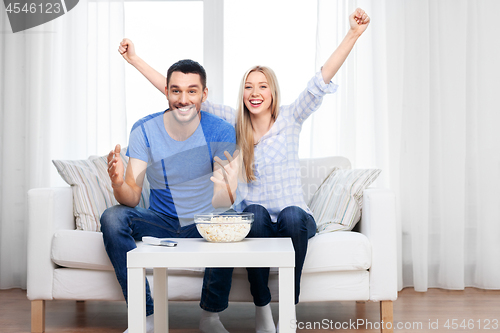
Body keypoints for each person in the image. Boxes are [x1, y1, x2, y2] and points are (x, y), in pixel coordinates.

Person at [119, 8, 370, 332]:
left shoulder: (290, 119)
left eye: (262, 86)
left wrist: (352, 34)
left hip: (294, 217)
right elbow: (183, 98)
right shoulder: (232, 123)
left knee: (292, 215)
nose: (255, 93)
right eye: (249, 87)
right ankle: (262, 308)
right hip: (257, 217)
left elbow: (320, 80)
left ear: (272, 93)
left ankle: (287, 312)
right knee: (255, 212)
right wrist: (135, 60)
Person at [101, 59, 240, 333]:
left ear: (204, 94)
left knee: (229, 218)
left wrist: (227, 189)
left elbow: (220, 203)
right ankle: (145, 317)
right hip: (161, 220)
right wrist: (118, 183)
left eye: (192, 91)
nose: (183, 99)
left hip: (203, 223)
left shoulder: (221, 131)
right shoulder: (144, 130)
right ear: (166, 92)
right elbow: (131, 197)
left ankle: (210, 317)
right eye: (176, 91)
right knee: (112, 217)